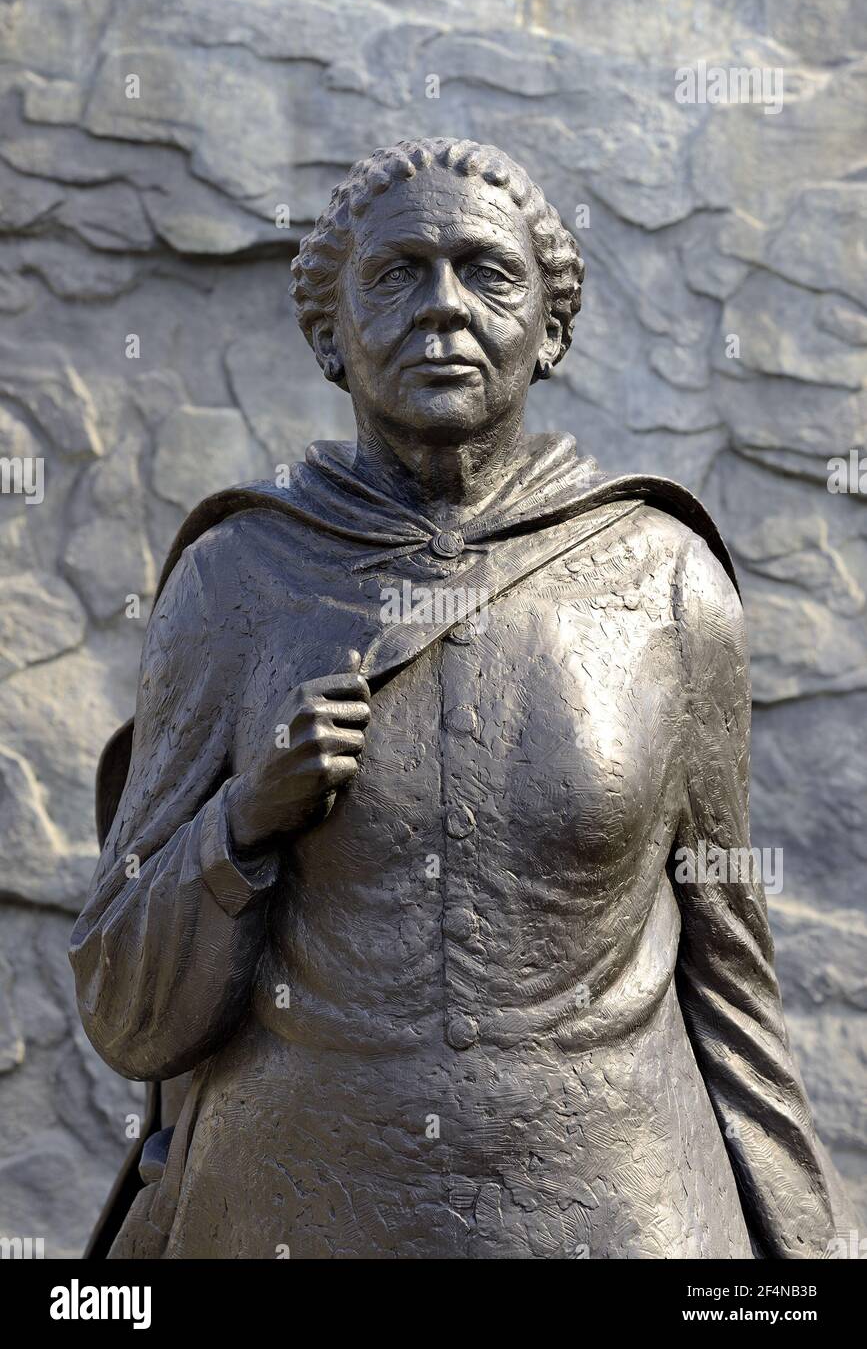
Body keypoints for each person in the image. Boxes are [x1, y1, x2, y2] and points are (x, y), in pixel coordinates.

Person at [70, 137, 850, 1258]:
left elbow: (731, 975)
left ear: (553, 324)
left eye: (487, 272)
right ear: (330, 332)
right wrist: (242, 824)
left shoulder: (665, 578)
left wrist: (807, 1252)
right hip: (299, 1208)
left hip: (616, 1212)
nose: (443, 308)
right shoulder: (235, 578)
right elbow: (120, 997)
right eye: (396, 274)